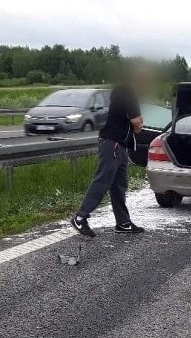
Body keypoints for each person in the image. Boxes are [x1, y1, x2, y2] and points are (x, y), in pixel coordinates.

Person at [70, 67, 149, 237]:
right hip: (112, 143)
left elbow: (136, 121)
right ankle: (80, 217)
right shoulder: (126, 91)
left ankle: (123, 222)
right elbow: (137, 122)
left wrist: (137, 123)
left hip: (120, 145)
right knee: (103, 181)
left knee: (119, 185)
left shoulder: (127, 93)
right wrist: (137, 124)